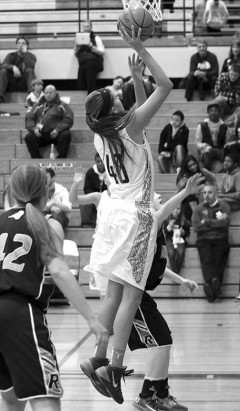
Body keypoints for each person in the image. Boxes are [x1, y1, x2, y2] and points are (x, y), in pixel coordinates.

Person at [81, 26, 173, 404]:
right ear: (115, 110)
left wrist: (136, 80)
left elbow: (139, 116)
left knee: (113, 291)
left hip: (111, 213)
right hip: (135, 215)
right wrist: (140, 49)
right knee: (131, 297)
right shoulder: (129, 125)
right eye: (115, 96)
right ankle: (113, 368)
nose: (120, 97)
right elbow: (165, 86)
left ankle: (98, 357)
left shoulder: (101, 133)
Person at [70, 172, 202, 411]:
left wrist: (181, 279)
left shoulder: (154, 234)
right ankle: (149, 396)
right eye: (158, 198)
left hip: (141, 295)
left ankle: (156, 394)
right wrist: (185, 193)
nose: (161, 199)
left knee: (163, 342)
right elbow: (161, 212)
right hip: (133, 298)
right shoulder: (148, 223)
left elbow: (157, 266)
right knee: (161, 342)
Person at [0, 164, 107, 411]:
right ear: (47, 191)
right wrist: (91, 318)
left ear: (11, 191)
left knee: (12, 399)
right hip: (20, 314)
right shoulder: (44, 223)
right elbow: (59, 270)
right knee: (45, 398)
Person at [192, 182, 231, 302]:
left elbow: (225, 224)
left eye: (209, 192)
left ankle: (211, 292)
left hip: (221, 238)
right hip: (204, 240)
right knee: (207, 261)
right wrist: (216, 223)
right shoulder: (198, 208)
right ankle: (215, 289)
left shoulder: (223, 206)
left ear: (216, 193)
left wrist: (208, 222)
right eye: (204, 192)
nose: (206, 195)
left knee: (219, 262)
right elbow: (196, 227)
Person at [25, 84, 74, 158]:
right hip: (41, 134)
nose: (48, 95)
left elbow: (68, 119)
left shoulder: (62, 105)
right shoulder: (38, 105)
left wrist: (57, 130)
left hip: (57, 134)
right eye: (46, 93)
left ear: (55, 93)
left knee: (66, 135)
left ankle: (61, 158)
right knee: (29, 137)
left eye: (50, 93)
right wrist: (34, 129)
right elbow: (29, 118)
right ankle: (36, 158)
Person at [0, 36, 36, 102]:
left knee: (30, 70)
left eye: (23, 43)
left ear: (27, 45)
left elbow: (30, 66)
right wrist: (13, 67)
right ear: (16, 45)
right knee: (3, 71)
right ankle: (0, 97)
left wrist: (25, 53)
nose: (20, 45)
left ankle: (32, 97)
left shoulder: (31, 56)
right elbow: (2, 65)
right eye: (19, 43)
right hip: (11, 82)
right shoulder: (10, 55)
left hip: (24, 82)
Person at [74, 19, 105, 94]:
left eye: (88, 26)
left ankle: (92, 97)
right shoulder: (79, 38)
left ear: (91, 27)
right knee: (80, 84)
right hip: (82, 63)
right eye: (84, 27)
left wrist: (92, 46)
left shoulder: (96, 38)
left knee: (91, 83)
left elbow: (102, 51)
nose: (86, 28)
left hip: (93, 63)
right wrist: (77, 47)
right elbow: (75, 54)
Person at [196, 103, 228, 173]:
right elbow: (198, 143)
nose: (213, 112)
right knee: (207, 154)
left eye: (215, 110)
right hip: (207, 149)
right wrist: (204, 146)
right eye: (211, 110)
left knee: (230, 155)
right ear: (208, 112)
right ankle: (207, 174)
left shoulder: (224, 126)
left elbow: (226, 141)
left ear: (219, 112)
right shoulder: (202, 125)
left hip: (219, 149)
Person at [80, 153, 108, 228]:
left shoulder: (109, 172)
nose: (100, 164)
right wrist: (95, 196)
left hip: (107, 197)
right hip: (93, 197)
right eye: (98, 161)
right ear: (95, 161)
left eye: (102, 161)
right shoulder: (90, 172)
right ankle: (87, 224)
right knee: (84, 204)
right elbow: (87, 188)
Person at [163, 203, 190, 274]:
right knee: (171, 252)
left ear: (181, 210)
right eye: (174, 209)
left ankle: (175, 273)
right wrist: (169, 227)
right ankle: (176, 273)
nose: (176, 211)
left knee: (180, 252)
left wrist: (183, 232)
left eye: (178, 209)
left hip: (179, 239)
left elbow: (188, 232)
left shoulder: (183, 220)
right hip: (169, 239)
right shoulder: (166, 219)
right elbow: (163, 233)